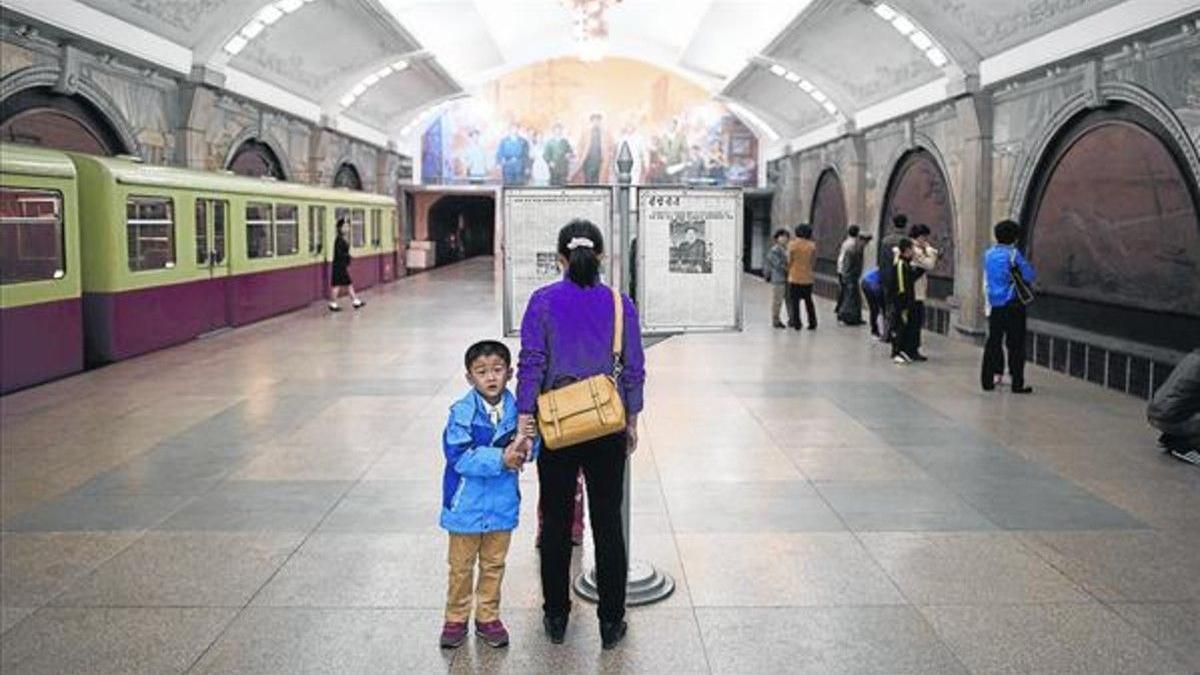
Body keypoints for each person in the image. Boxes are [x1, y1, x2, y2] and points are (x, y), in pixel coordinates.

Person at [517, 219, 645, 650]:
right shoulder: (619, 303)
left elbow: (531, 361)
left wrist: (523, 416)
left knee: (555, 522)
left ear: (560, 257)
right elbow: (634, 367)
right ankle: (612, 621)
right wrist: (632, 420)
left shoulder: (542, 301)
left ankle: (556, 616)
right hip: (606, 426)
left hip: (557, 425)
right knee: (608, 524)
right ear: (602, 256)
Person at [439, 341, 532, 649]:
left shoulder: (520, 414)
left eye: (497, 370)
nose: (490, 377)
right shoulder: (462, 413)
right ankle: (455, 618)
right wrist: (501, 459)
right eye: (481, 372)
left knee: (494, 564)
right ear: (470, 377)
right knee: (461, 567)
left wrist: (530, 445)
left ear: (510, 373)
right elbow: (459, 456)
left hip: (501, 506)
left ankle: (487, 617)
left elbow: (531, 450)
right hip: (465, 506)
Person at [981, 219, 1036, 393]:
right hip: (1013, 305)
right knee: (1016, 345)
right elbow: (1029, 275)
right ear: (1014, 237)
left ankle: (987, 381)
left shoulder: (988, 254)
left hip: (995, 304)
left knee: (993, 342)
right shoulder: (1013, 255)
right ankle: (1017, 382)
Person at [1148, 348, 1200, 464]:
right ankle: (1184, 446)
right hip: (1172, 419)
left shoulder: (1194, 356)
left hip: (1157, 414)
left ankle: (1170, 438)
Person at [884, 237, 920, 364]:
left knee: (903, 327)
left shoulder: (906, 264)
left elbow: (910, 278)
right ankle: (896, 352)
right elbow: (901, 287)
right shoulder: (900, 265)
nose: (914, 252)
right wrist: (904, 304)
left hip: (905, 302)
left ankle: (901, 351)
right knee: (898, 327)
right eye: (912, 249)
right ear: (907, 249)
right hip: (901, 303)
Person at [908, 223, 940, 360]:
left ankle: (912, 348)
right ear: (920, 236)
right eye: (925, 237)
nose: (926, 240)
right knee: (914, 322)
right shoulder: (915, 250)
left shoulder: (912, 248)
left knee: (915, 322)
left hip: (916, 292)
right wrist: (930, 250)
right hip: (915, 293)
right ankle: (912, 349)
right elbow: (930, 264)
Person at [878, 213, 908, 342]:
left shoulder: (886, 241)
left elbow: (882, 262)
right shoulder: (906, 241)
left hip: (887, 278)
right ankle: (898, 333)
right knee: (901, 307)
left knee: (888, 306)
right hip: (901, 279)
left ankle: (887, 333)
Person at [836, 226, 870, 325]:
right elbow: (846, 264)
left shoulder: (857, 248)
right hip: (849, 276)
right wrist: (845, 277)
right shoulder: (851, 248)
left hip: (852, 276)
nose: (866, 244)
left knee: (854, 297)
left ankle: (854, 317)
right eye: (865, 242)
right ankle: (845, 316)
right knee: (849, 297)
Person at [786, 224, 818, 331]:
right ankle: (812, 322)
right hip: (807, 278)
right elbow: (813, 262)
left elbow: (789, 260)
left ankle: (797, 323)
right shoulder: (812, 246)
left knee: (795, 302)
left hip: (794, 277)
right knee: (808, 301)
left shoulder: (792, 245)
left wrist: (789, 269)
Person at [328, 218, 363, 311]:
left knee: (344, 284)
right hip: (339, 266)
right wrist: (348, 256)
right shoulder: (339, 240)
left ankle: (354, 301)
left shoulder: (341, 238)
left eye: (348, 226)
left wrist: (348, 256)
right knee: (340, 284)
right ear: (340, 228)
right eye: (345, 227)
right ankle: (334, 303)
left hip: (340, 265)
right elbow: (339, 253)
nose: (347, 228)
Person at [764, 228, 790, 329]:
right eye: (782, 237)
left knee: (789, 300)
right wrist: (789, 269)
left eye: (786, 237)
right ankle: (776, 320)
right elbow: (778, 264)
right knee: (777, 301)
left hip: (787, 279)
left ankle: (791, 319)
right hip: (779, 279)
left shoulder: (787, 249)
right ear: (777, 238)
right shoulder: (775, 250)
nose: (784, 239)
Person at [861, 267, 885, 338]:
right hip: (870, 284)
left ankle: (875, 329)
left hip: (866, 280)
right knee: (875, 308)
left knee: (874, 308)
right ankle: (875, 330)